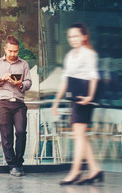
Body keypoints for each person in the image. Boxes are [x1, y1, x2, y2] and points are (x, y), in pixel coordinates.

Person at [51, 22, 103, 185]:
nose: (72, 39)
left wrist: (90, 96)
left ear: (84, 37)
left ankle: (75, 171)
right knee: (79, 135)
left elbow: (94, 77)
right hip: (75, 97)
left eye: (76, 36)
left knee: (78, 135)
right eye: (70, 36)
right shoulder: (69, 55)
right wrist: (56, 102)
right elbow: (65, 80)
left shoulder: (89, 54)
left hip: (86, 97)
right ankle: (94, 169)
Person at [0, 35, 32, 177]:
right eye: (10, 51)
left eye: (16, 51)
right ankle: (12, 165)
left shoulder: (24, 64)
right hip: (3, 103)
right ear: (5, 49)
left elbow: (29, 82)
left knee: (21, 133)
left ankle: (19, 162)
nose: (13, 54)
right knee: (6, 136)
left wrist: (21, 84)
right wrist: (1, 78)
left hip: (19, 103)